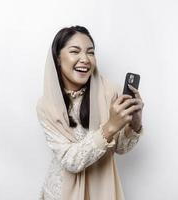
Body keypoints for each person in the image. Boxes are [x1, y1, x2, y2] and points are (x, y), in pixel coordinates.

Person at [36, 25, 144, 200]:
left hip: (103, 188)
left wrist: (135, 122)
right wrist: (110, 126)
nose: (85, 59)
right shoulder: (46, 106)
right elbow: (70, 160)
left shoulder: (110, 92)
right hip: (64, 192)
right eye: (75, 51)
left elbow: (121, 148)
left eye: (90, 52)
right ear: (58, 58)